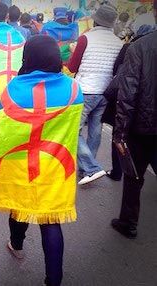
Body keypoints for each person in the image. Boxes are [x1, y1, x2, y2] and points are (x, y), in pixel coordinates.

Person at [0, 35, 83, 286]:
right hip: (56, 168)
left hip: (20, 164)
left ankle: (16, 245)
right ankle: (54, 280)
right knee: (50, 221)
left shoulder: (13, 88)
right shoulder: (73, 88)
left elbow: (2, 131)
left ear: (28, 57)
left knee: (20, 204)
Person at [110, 0, 157, 239]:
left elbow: (127, 92)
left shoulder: (139, 47)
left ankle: (128, 223)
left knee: (134, 175)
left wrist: (119, 133)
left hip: (144, 124)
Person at [67, 4, 122, 185]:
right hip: (106, 92)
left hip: (85, 91)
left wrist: (73, 52)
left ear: (95, 19)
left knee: (72, 131)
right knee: (95, 131)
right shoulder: (118, 42)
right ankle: (86, 171)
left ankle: (91, 168)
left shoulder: (85, 39)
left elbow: (72, 67)